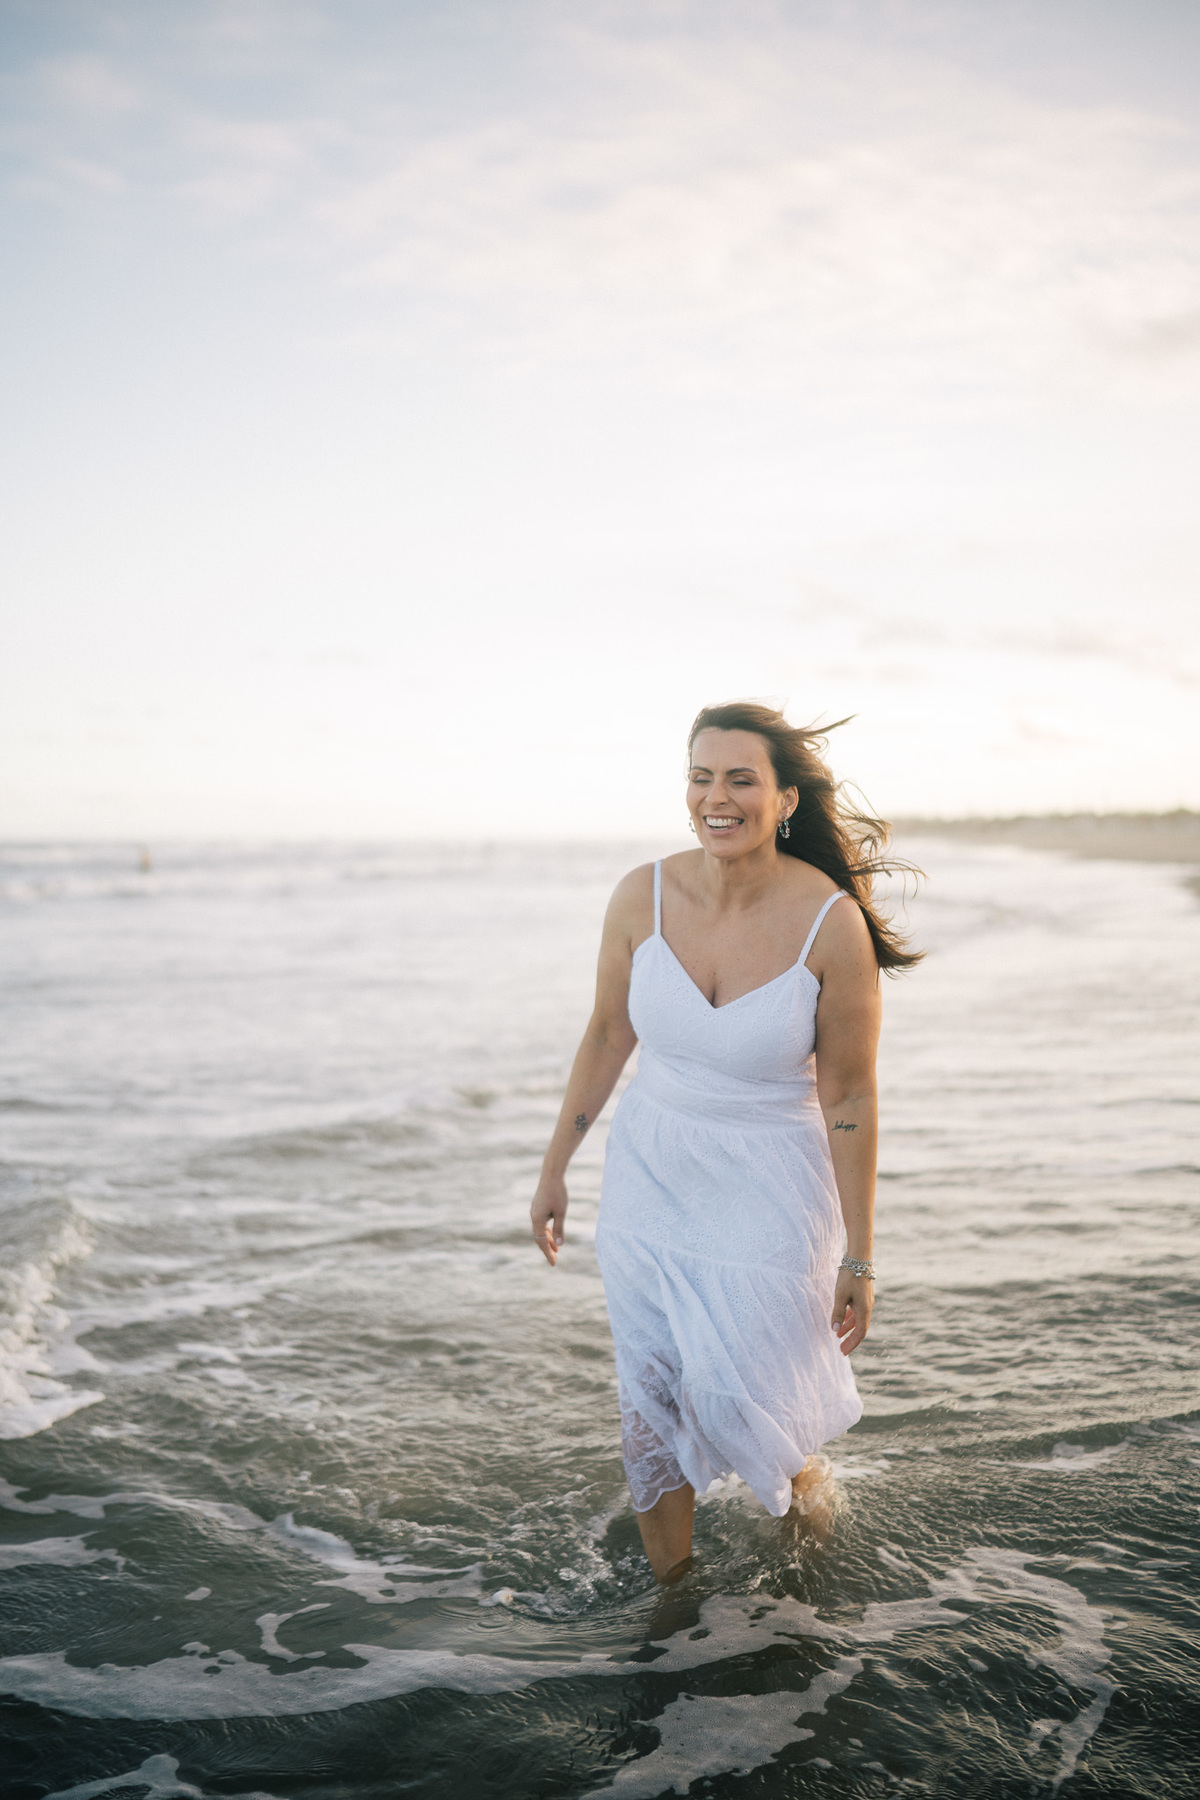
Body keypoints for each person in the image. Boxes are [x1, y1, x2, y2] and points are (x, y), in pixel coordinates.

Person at [530, 701, 920, 1583]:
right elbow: (604, 1036)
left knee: (747, 1396)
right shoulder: (643, 894)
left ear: (784, 800)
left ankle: (809, 1553)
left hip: (772, 1184)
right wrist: (556, 1167)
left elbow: (851, 1094)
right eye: (701, 776)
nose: (718, 797)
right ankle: (673, 1599)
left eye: (741, 778)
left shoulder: (832, 926)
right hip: (651, 1173)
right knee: (652, 1396)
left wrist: (860, 1255)